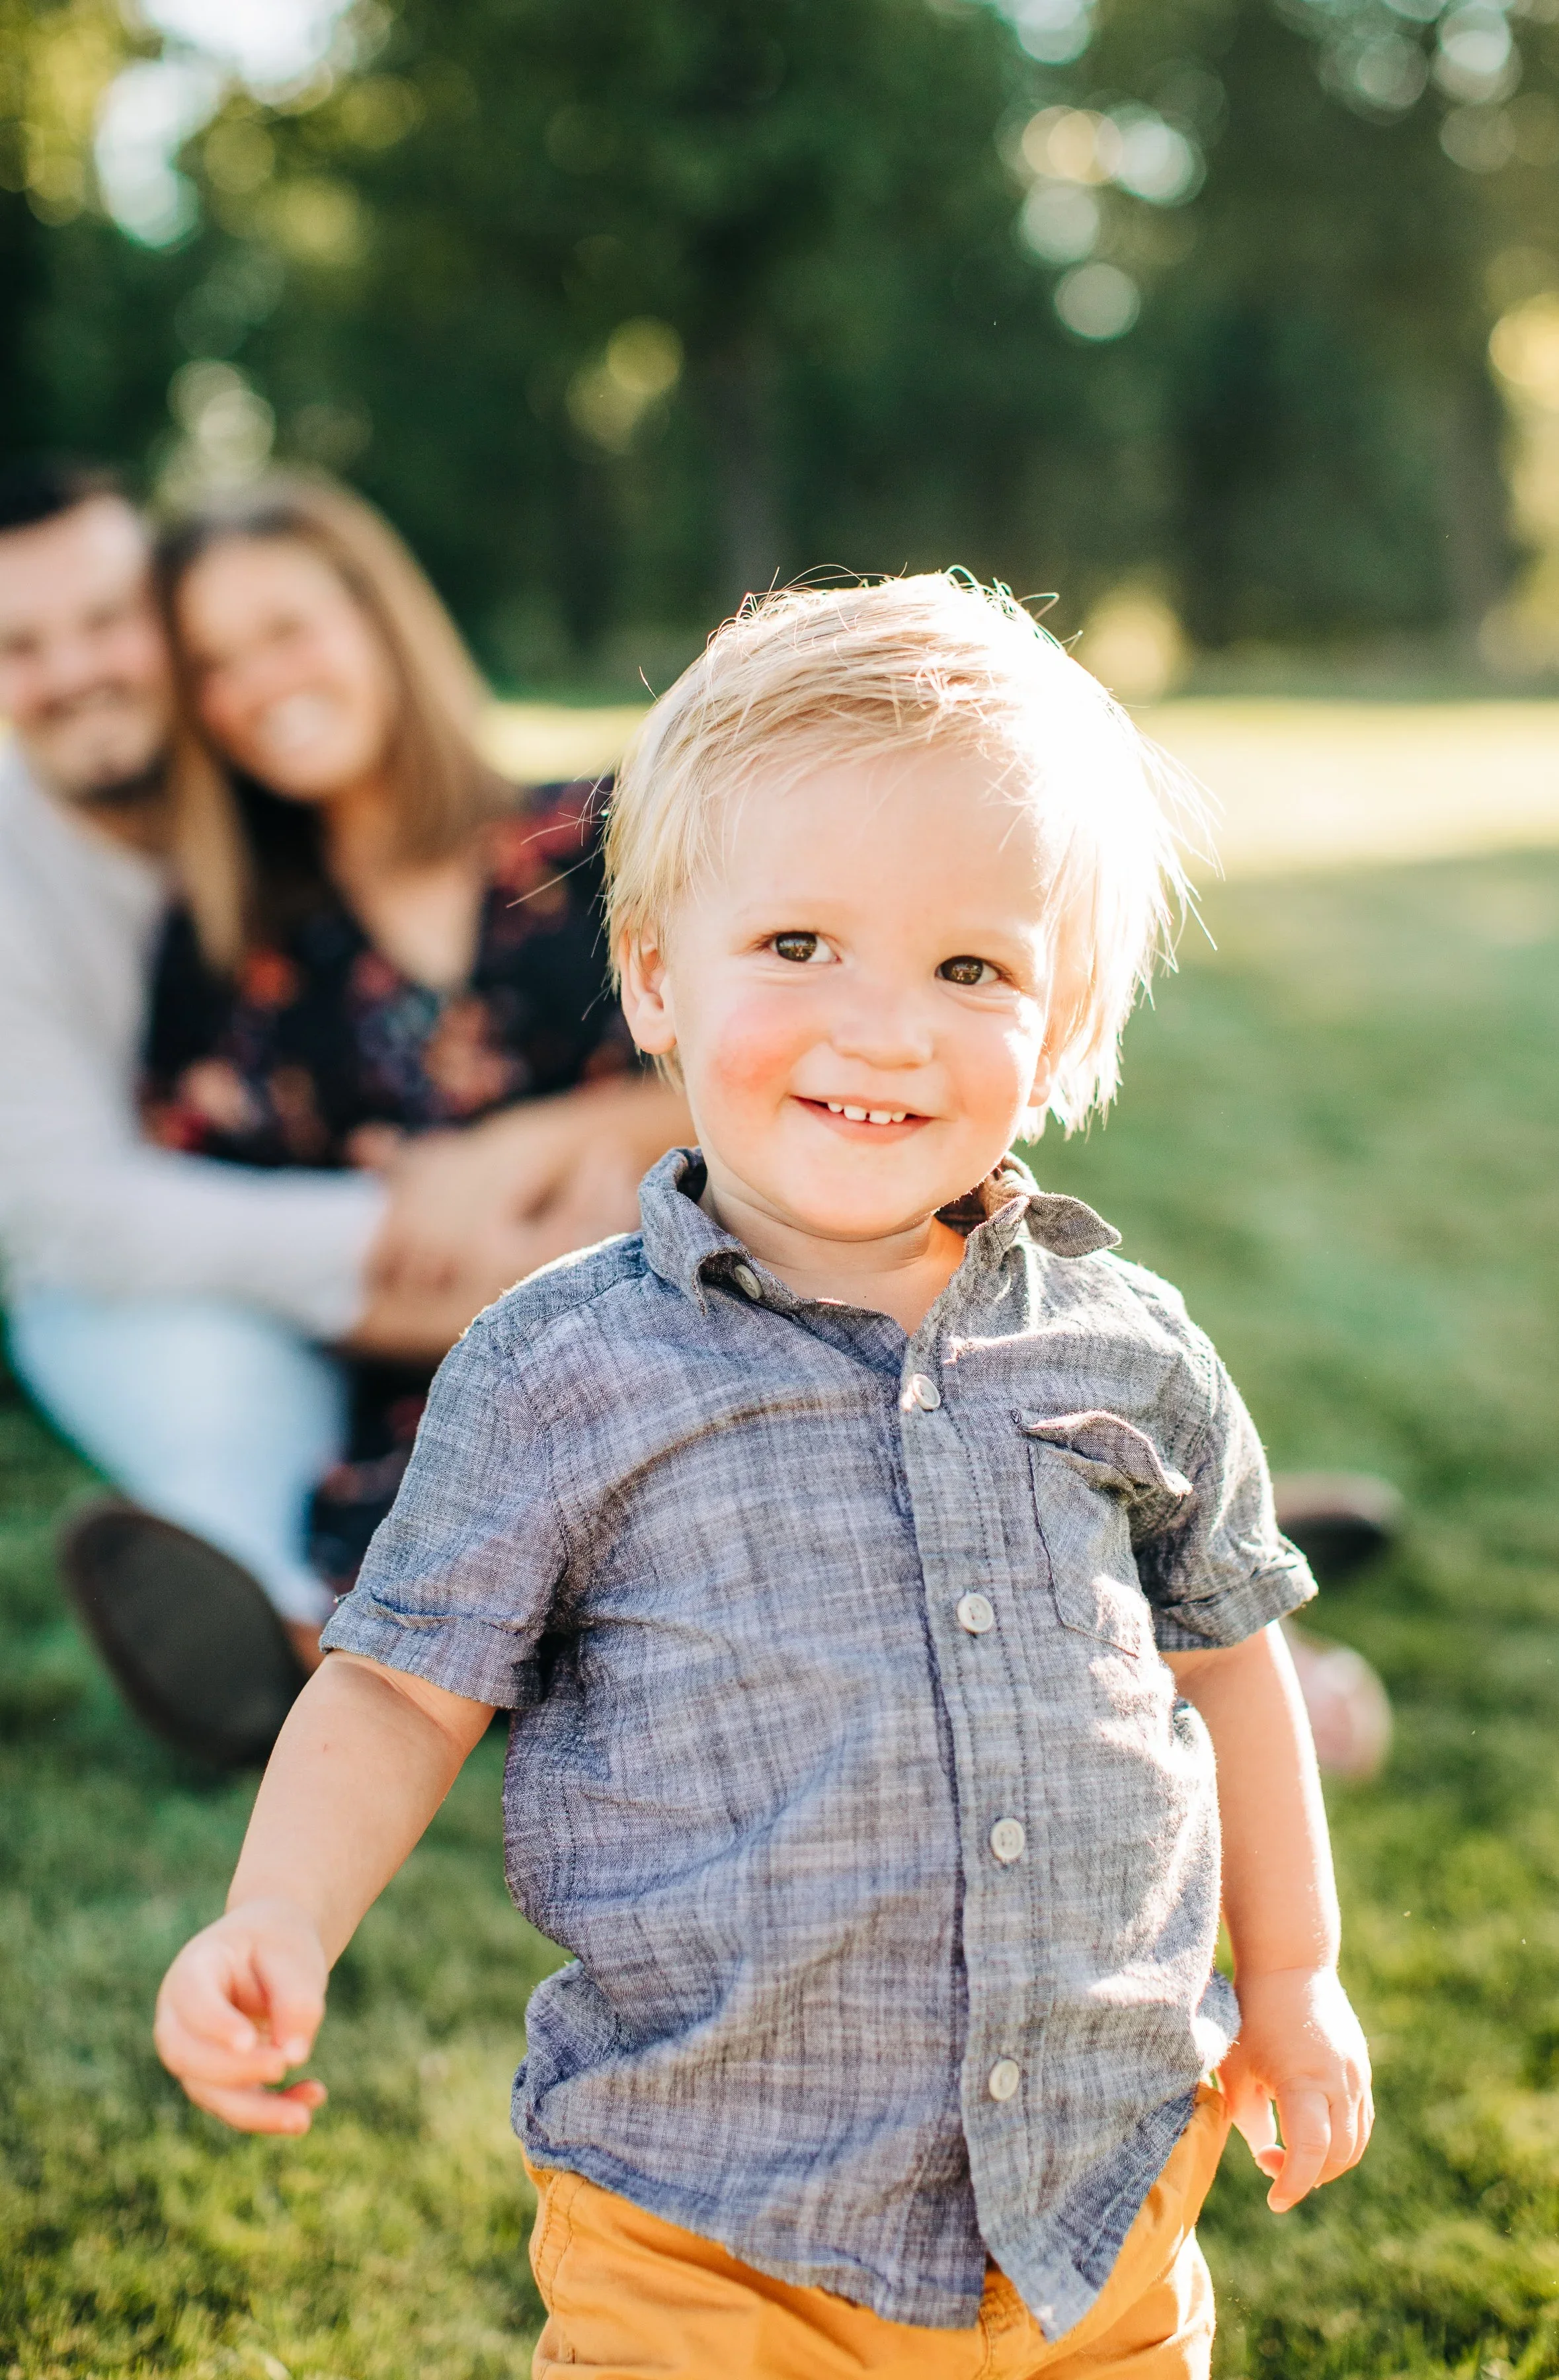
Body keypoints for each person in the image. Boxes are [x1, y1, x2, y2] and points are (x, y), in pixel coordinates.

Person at [155, 574, 1371, 2379]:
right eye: (797, 946)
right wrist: (275, 1912)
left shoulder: (1129, 1352)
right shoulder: (565, 1366)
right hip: (709, 2236)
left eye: (969, 968)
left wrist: (1288, 1980)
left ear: (1058, 1029)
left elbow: (1226, 1675)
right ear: (652, 976)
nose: (880, 1026)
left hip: (1094, 2217)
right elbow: (402, 1688)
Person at [0, 460, 684, 1765]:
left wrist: (551, 1146)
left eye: (287, 632)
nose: (258, 686)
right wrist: (489, 1269)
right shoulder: (245, 964)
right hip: (471, 1380)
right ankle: (308, 1649)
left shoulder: (597, 838)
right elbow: (207, 1214)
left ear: (381, 619)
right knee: (451, 1502)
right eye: (219, 663)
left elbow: (781, 1048)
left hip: (707, 1286)